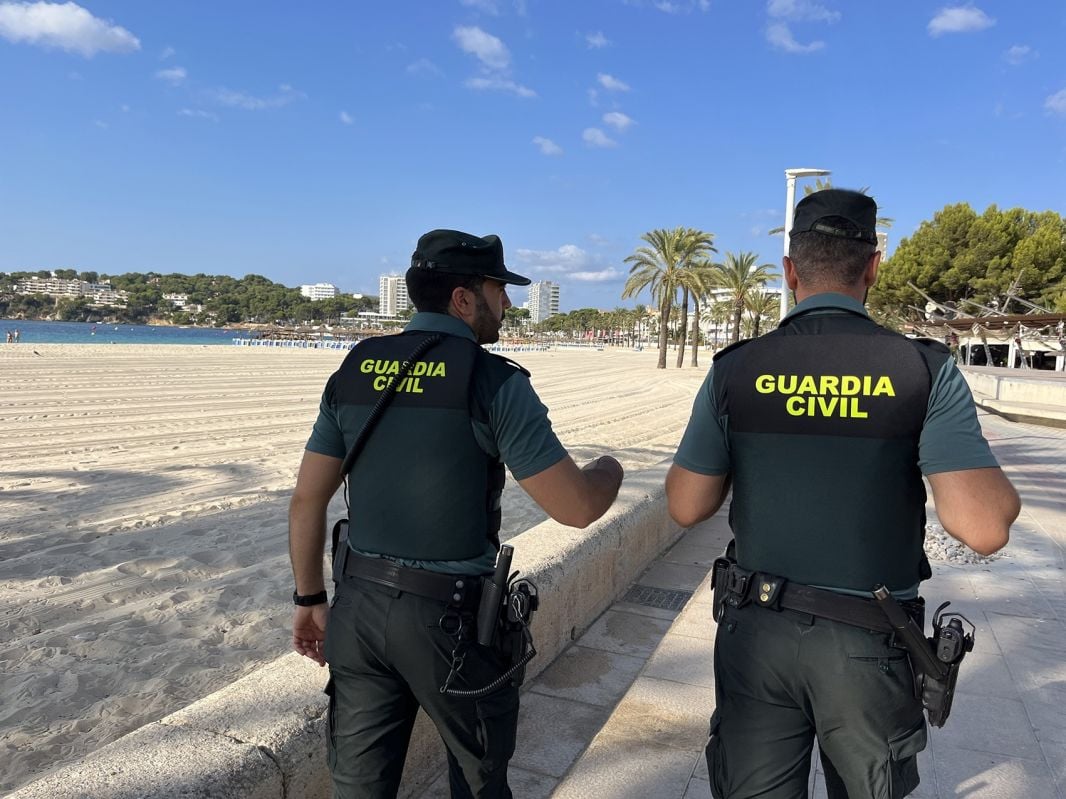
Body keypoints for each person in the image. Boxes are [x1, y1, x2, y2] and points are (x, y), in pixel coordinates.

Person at [666, 189, 1020, 799]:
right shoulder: (922, 369)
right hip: (870, 645)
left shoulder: (736, 368)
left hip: (757, 637)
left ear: (790, 270)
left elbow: (686, 505)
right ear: (874, 266)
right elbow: (983, 527)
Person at [289, 228, 625, 798]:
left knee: (358, 786)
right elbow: (576, 509)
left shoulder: (354, 368)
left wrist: (309, 601)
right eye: (500, 290)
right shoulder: (492, 380)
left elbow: (307, 499)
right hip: (451, 624)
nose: (509, 304)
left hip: (358, 610)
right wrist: (610, 469)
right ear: (464, 299)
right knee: (478, 778)